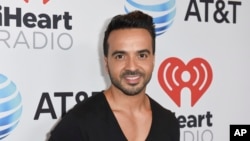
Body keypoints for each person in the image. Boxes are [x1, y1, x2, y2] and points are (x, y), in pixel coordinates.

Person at [48, 10, 180, 141]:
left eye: (141, 55)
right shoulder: (77, 125)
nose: (132, 67)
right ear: (106, 63)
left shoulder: (168, 123)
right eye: (120, 56)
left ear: (152, 60)